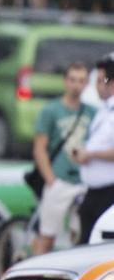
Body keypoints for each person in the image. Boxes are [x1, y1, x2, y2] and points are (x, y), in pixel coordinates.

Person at [31, 62, 93, 254]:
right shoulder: (51, 111)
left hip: (83, 181)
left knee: (81, 237)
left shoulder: (93, 112)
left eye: (81, 81)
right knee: (47, 235)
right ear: (65, 81)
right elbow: (40, 148)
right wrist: (50, 179)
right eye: (73, 80)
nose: (77, 85)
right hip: (60, 178)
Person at [73, 56, 114, 243]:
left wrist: (90, 154)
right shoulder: (104, 110)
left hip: (109, 192)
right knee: (85, 242)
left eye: (100, 80)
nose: (97, 86)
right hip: (93, 191)